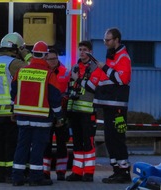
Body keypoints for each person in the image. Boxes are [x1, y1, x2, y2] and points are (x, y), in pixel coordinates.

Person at [11, 41, 63, 186]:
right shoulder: (49, 74)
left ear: (33, 54)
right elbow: (55, 99)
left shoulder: (21, 72)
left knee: (22, 146)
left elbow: (13, 93)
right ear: (45, 55)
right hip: (41, 118)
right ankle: (35, 178)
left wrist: (13, 111)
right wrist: (60, 117)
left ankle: (17, 177)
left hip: (22, 117)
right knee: (38, 149)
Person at [0, 32, 32, 183]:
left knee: (0, 143)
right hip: (11, 111)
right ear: (16, 49)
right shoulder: (14, 63)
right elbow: (35, 70)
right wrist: (27, 54)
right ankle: (10, 173)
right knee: (12, 143)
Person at [93, 27, 132, 184]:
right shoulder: (112, 57)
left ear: (116, 40)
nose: (106, 43)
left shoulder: (123, 57)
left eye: (108, 40)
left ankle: (124, 172)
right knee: (110, 139)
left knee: (117, 139)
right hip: (110, 105)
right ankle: (117, 170)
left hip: (117, 107)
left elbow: (121, 79)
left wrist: (104, 67)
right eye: (104, 40)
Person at [65, 41, 101, 182]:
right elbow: (70, 88)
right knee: (77, 143)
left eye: (84, 49)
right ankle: (77, 172)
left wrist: (77, 79)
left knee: (88, 143)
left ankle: (89, 173)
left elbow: (92, 87)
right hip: (74, 112)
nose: (81, 52)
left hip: (88, 112)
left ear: (90, 51)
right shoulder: (75, 67)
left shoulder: (95, 68)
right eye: (80, 49)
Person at [43, 48, 70, 181]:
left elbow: (70, 89)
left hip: (61, 113)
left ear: (58, 58)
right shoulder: (43, 72)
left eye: (54, 58)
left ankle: (61, 172)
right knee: (46, 143)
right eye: (49, 59)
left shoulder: (66, 72)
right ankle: (45, 172)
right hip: (46, 113)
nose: (52, 61)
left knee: (61, 143)